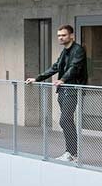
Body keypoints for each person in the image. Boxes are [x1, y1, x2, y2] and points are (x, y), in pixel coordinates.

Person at [28, 25, 88, 163]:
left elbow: (74, 67)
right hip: (63, 90)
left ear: (71, 36)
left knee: (65, 120)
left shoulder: (78, 50)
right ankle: (71, 152)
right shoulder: (64, 52)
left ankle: (72, 153)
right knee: (67, 121)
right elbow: (55, 67)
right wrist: (37, 78)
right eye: (59, 35)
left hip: (73, 90)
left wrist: (63, 79)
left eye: (64, 35)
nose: (61, 38)